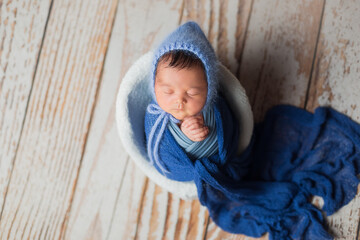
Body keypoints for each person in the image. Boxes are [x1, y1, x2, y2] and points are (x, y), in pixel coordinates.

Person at [144, 21, 360, 240]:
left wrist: (206, 136)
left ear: (209, 89)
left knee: (246, 154)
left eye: (192, 92)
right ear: (154, 86)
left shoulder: (215, 108)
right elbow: (160, 156)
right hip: (190, 168)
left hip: (226, 161)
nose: (179, 101)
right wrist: (183, 136)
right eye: (167, 91)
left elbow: (229, 131)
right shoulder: (155, 119)